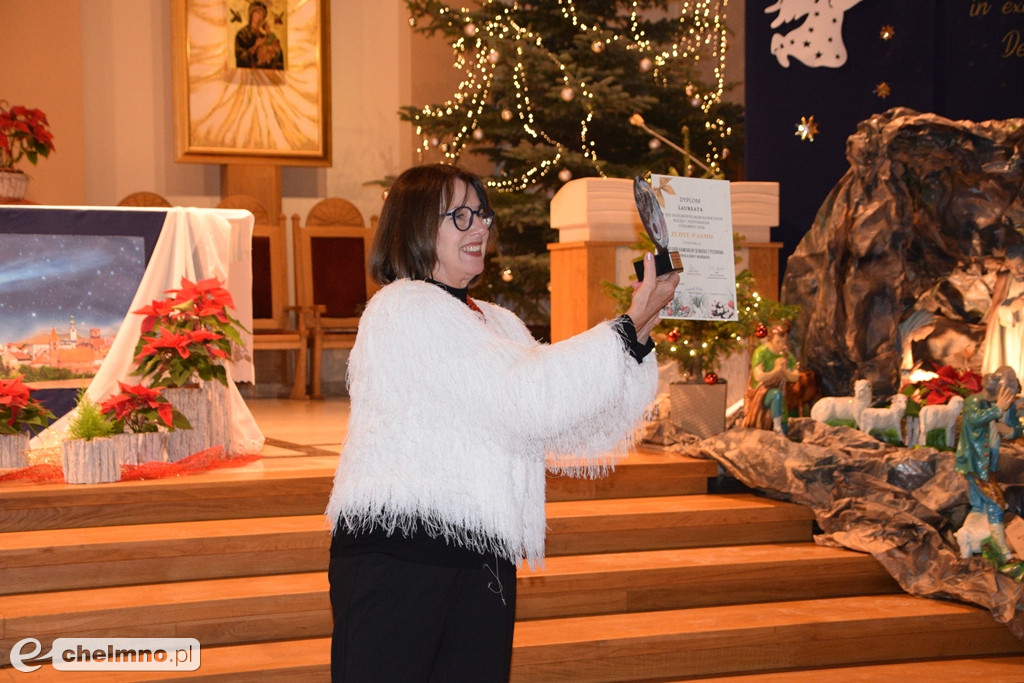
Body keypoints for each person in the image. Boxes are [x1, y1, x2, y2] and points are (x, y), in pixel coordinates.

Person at [324, 163, 678, 681]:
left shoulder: (497, 320)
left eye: (483, 215)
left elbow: (568, 422)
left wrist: (640, 333)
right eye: (461, 216)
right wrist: (624, 327)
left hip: (481, 557)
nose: (480, 228)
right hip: (401, 558)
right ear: (417, 226)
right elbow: (526, 395)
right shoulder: (401, 307)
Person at [954, 366, 1022, 552]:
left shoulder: (1008, 406)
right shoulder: (973, 402)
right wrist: (998, 409)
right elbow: (975, 419)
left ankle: (972, 541)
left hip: (990, 461)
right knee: (996, 503)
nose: (1011, 394)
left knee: (979, 504)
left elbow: (1016, 428)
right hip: (974, 461)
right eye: (1009, 389)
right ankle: (1003, 552)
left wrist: (1009, 430)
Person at [742, 323, 799, 434]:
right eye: (778, 342)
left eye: (783, 342)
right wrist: (777, 370)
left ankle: (780, 425)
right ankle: (776, 428)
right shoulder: (761, 352)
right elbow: (759, 377)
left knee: (785, 425)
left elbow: (795, 377)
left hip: (779, 391)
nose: (781, 345)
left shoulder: (785, 353)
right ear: (770, 341)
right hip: (761, 392)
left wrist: (784, 370)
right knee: (775, 395)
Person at [981, 244, 1024, 378]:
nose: (1016, 271)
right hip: (1010, 334)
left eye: (1020, 265)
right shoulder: (1005, 280)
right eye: (1011, 267)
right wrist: (1009, 309)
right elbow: (995, 309)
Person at [235, 1, 283, 69]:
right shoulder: (242, 34)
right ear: (251, 13)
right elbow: (240, 59)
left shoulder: (264, 36)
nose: (260, 16)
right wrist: (255, 46)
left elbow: (277, 55)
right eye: (257, 12)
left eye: (263, 14)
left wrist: (268, 33)